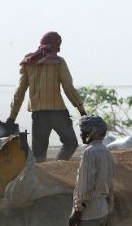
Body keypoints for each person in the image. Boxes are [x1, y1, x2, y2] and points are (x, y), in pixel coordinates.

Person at [6, 32, 87, 162]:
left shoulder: (28, 62)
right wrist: (81, 110)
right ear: (57, 45)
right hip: (58, 113)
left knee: (39, 155)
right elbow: (69, 88)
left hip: (39, 114)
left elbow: (19, 92)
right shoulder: (58, 62)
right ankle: (58, 167)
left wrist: (12, 117)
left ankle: (44, 177)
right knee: (71, 143)